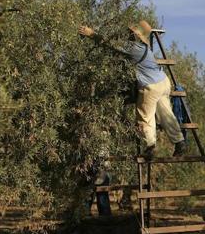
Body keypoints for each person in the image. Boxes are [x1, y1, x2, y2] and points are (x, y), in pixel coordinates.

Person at [78, 21, 187, 159]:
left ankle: (150, 148)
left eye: (130, 32)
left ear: (135, 35)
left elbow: (110, 44)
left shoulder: (133, 47)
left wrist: (91, 33)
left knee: (145, 118)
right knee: (166, 114)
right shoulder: (145, 47)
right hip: (163, 82)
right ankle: (179, 143)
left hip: (151, 86)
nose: (127, 34)